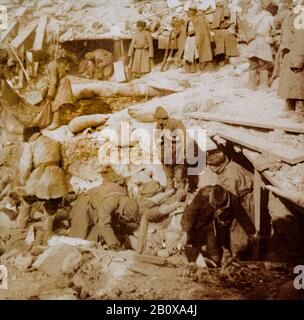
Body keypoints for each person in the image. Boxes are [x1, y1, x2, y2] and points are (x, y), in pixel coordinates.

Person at [181, 185, 256, 267]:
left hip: (214, 226)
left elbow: (243, 217)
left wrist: (252, 233)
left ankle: (212, 259)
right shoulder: (203, 194)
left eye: (220, 208)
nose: (217, 210)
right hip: (198, 222)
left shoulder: (233, 200)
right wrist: (185, 231)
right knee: (190, 245)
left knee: (215, 256)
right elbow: (191, 213)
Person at [19, 127, 68, 233]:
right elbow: (64, 162)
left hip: (40, 174)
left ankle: (20, 226)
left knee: (27, 198)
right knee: (51, 206)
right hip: (57, 174)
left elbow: (25, 165)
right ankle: (47, 232)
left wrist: (23, 181)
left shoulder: (31, 144)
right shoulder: (55, 142)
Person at [69, 182, 140, 250]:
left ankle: (89, 248)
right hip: (84, 204)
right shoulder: (110, 203)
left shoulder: (124, 198)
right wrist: (114, 245)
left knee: (93, 235)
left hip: (98, 203)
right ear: (123, 210)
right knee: (79, 235)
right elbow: (104, 224)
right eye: (124, 215)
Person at [207, 148, 254, 222]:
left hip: (247, 199)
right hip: (244, 192)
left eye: (210, 165)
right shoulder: (229, 165)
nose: (209, 167)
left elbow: (233, 201)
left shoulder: (229, 178)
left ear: (217, 165)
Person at [33, 49, 75, 130]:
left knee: (56, 102)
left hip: (62, 83)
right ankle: (56, 119)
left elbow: (53, 81)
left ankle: (56, 122)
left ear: (43, 59)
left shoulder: (51, 65)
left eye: (40, 61)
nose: (40, 64)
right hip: (60, 82)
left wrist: (50, 93)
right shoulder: (52, 63)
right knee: (55, 102)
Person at [277, 0, 304, 123]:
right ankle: (290, 107)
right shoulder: (293, 12)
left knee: (299, 81)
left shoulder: (300, 13)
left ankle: (300, 111)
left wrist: (299, 57)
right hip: (291, 51)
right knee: (289, 79)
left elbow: (301, 37)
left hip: (298, 52)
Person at [153, 106, 187, 191]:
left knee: (179, 177)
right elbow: (157, 139)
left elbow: (184, 136)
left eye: (163, 119)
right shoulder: (158, 125)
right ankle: (170, 192)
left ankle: (180, 194)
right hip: (165, 157)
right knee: (169, 177)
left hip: (177, 155)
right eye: (158, 119)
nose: (160, 122)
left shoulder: (175, 123)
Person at [246, 2, 278, 90]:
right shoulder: (270, 18)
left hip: (253, 42)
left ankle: (251, 86)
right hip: (263, 42)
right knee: (264, 65)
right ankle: (263, 87)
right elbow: (276, 29)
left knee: (252, 65)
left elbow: (250, 27)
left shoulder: (256, 17)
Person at [181, 4, 213, 71]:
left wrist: (192, 33)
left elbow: (199, 30)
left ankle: (198, 69)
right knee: (188, 54)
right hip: (189, 38)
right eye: (188, 12)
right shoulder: (188, 19)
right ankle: (188, 70)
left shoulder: (199, 19)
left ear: (194, 12)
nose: (189, 13)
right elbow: (186, 28)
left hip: (195, 38)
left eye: (190, 12)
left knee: (196, 54)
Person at [211, 0, 240, 67]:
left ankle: (224, 58)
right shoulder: (218, 7)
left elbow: (230, 20)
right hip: (218, 28)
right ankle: (219, 58)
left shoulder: (229, 6)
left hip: (226, 28)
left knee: (227, 37)